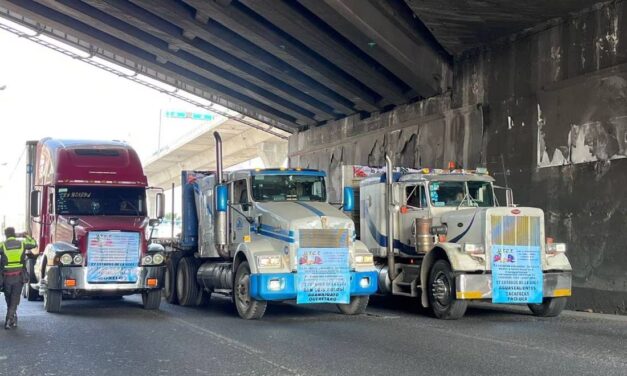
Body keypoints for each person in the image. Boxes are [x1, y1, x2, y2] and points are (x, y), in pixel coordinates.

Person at [0, 227, 37, 329]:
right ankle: (9, 319)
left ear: (5, 235)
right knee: (15, 298)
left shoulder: (2, 245)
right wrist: (25, 235)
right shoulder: (22, 244)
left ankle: (12, 318)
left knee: (9, 298)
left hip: (6, 277)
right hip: (18, 276)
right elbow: (34, 243)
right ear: (14, 234)